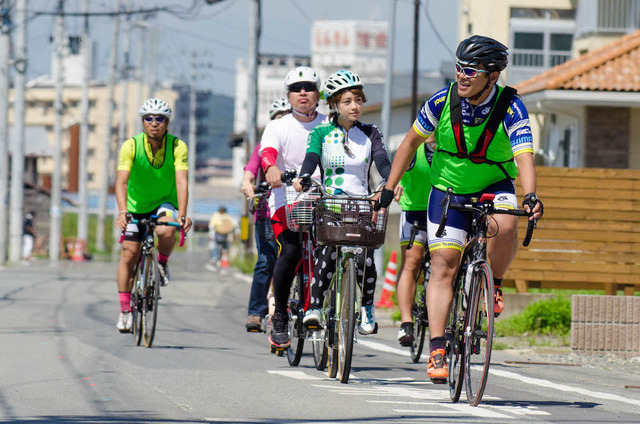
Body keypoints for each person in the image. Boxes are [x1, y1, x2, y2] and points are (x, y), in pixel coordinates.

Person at [375, 35, 543, 382]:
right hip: (447, 190)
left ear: (492, 76)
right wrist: (389, 188)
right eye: (458, 68)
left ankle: (493, 283)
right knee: (442, 266)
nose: (462, 76)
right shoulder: (441, 101)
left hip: (493, 184)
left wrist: (531, 196)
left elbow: (524, 155)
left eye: (470, 70)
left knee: (507, 226)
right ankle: (437, 348)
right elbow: (409, 144)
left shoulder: (511, 106)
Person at [293, 69, 392, 335]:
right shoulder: (321, 132)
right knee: (328, 250)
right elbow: (312, 157)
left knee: (366, 259)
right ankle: (314, 308)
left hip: (361, 205)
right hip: (330, 205)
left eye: (358, 100)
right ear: (334, 104)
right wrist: (304, 176)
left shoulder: (371, 133)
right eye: (347, 101)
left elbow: (382, 161)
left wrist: (391, 181)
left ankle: (367, 309)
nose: (355, 106)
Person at [260, 66, 327, 349]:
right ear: (288, 95)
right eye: (297, 88)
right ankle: (281, 315)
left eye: (309, 87)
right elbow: (268, 153)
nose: (303, 93)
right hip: (285, 198)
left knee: (332, 250)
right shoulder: (277, 126)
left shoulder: (330, 124)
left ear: (318, 94)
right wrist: (272, 169)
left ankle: (331, 308)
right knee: (291, 250)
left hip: (323, 199)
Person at [114, 98, 192, 333]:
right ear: (143, 122)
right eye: (149, 118)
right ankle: (125, 310)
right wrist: (121, 210)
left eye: (160, 119)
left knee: (167, 229)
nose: (154, 123)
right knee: (129, 253)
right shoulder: (131, 146)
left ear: (167, 123)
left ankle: (162, 263)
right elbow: (121, 182)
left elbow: (182, 180)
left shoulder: (178, 146)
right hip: (135, 206)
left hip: (164, 202)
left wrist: (183, 213)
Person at [241, 97, 291, 332]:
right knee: (266, 261)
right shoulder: (263, 147)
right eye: (277, 117)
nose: (282, 122)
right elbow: (251, 168)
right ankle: (256, 311)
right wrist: (248, 182)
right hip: (266, 212)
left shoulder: (302, 141)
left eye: (286, 116)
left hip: (297, 208)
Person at [395, 141, 433, 346]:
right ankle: (406, 323)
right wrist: (397, 181)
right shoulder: (413, 145)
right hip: (414, 209)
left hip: (444, 210)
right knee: (412, 261)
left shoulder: (454, 143)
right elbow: (396, 166)